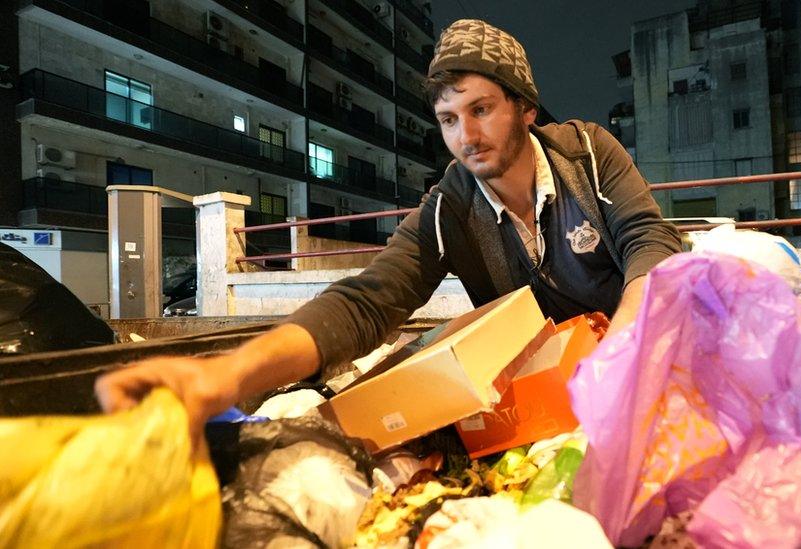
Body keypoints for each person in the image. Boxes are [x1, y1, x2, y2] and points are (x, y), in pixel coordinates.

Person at [96, 19, 682, 442]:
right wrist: (226, 376)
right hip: (544, 398)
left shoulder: (587, 153)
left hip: (639, 367)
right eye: (449, 120)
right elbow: (365, 303)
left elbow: (649, 243)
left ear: (526, 108)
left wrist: (621, 355)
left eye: (482, 109)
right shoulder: (448, 210)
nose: (466, 137)